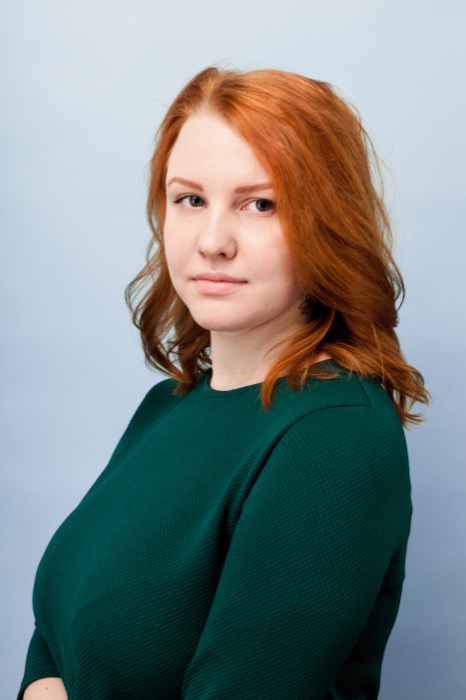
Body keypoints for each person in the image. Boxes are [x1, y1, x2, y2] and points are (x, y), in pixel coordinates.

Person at [19, 66, 429, 700]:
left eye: (260, 204)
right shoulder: (167, 406)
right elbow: (59, 627)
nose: (213, 242)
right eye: (190, 199)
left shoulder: (335, 437)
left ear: (327, 222)